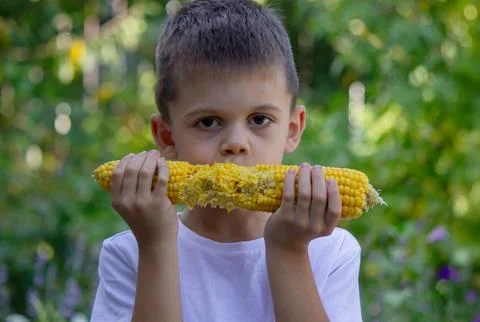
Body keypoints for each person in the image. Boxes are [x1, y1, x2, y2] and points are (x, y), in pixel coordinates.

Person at [89, 0, 362, 321]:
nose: (236, 144)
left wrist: (288, 250)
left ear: (292, 129)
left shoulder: (330, 251)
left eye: (259, 119)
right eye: (208, 122)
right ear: (166, 137)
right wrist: (156, 245)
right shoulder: (130, 254)